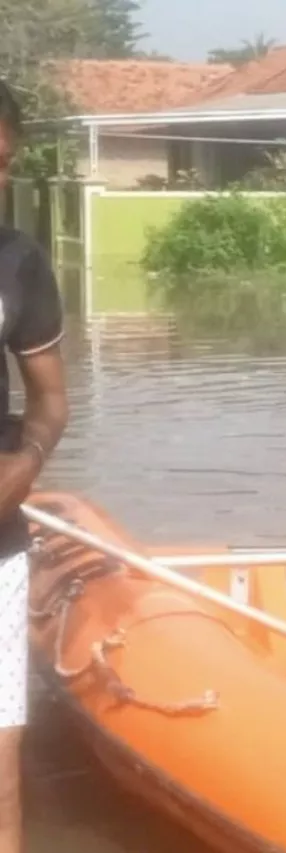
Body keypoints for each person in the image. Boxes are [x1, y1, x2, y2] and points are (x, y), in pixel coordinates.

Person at [0, 80, 69, 853]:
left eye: (4, 163)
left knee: (1, 759)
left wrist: (28, 459)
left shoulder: (17, 259)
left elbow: (51, 399)